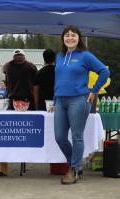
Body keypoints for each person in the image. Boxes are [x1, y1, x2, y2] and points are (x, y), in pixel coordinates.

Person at [53, 25, 110, 184]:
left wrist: (94, 91)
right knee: (59, 137)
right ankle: (76, 165)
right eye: (67, 35)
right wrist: (55, 99)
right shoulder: (60, 56)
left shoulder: (85, 56)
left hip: (78, 100)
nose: (70, 38)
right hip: (60, 100)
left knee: (77, 136)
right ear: (63, 38)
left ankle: (73, 170)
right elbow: (58, 80)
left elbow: (104, 72)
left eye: (73, 35)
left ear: (78, 38)